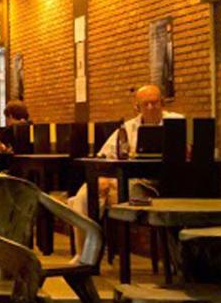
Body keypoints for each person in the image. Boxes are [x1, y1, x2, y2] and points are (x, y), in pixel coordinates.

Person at [67, 84, 184, 258]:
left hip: (156, 186)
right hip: (127, 181)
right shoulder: (128, 128)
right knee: (86, 194)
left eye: (155, 103)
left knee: (90, 198)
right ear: (137, 107)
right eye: (146, 104)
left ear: (162, 103)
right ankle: (84, 255)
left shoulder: (176, 122)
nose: (151, 107)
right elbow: (105, 154)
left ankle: (88, 256)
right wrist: (106, 177)